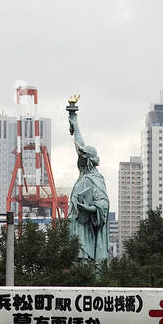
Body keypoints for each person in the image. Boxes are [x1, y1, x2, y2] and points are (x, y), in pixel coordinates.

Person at [67, 98, 110, 263]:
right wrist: (73, 118)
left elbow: (104, 203)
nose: (82, 159)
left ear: (91, 160)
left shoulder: (96, 179)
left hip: (86, 226)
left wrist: (89, 208)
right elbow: (79, 145)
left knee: (83, 257)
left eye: (85, 157)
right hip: (75, 222)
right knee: (74, 256)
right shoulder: (82, 176)